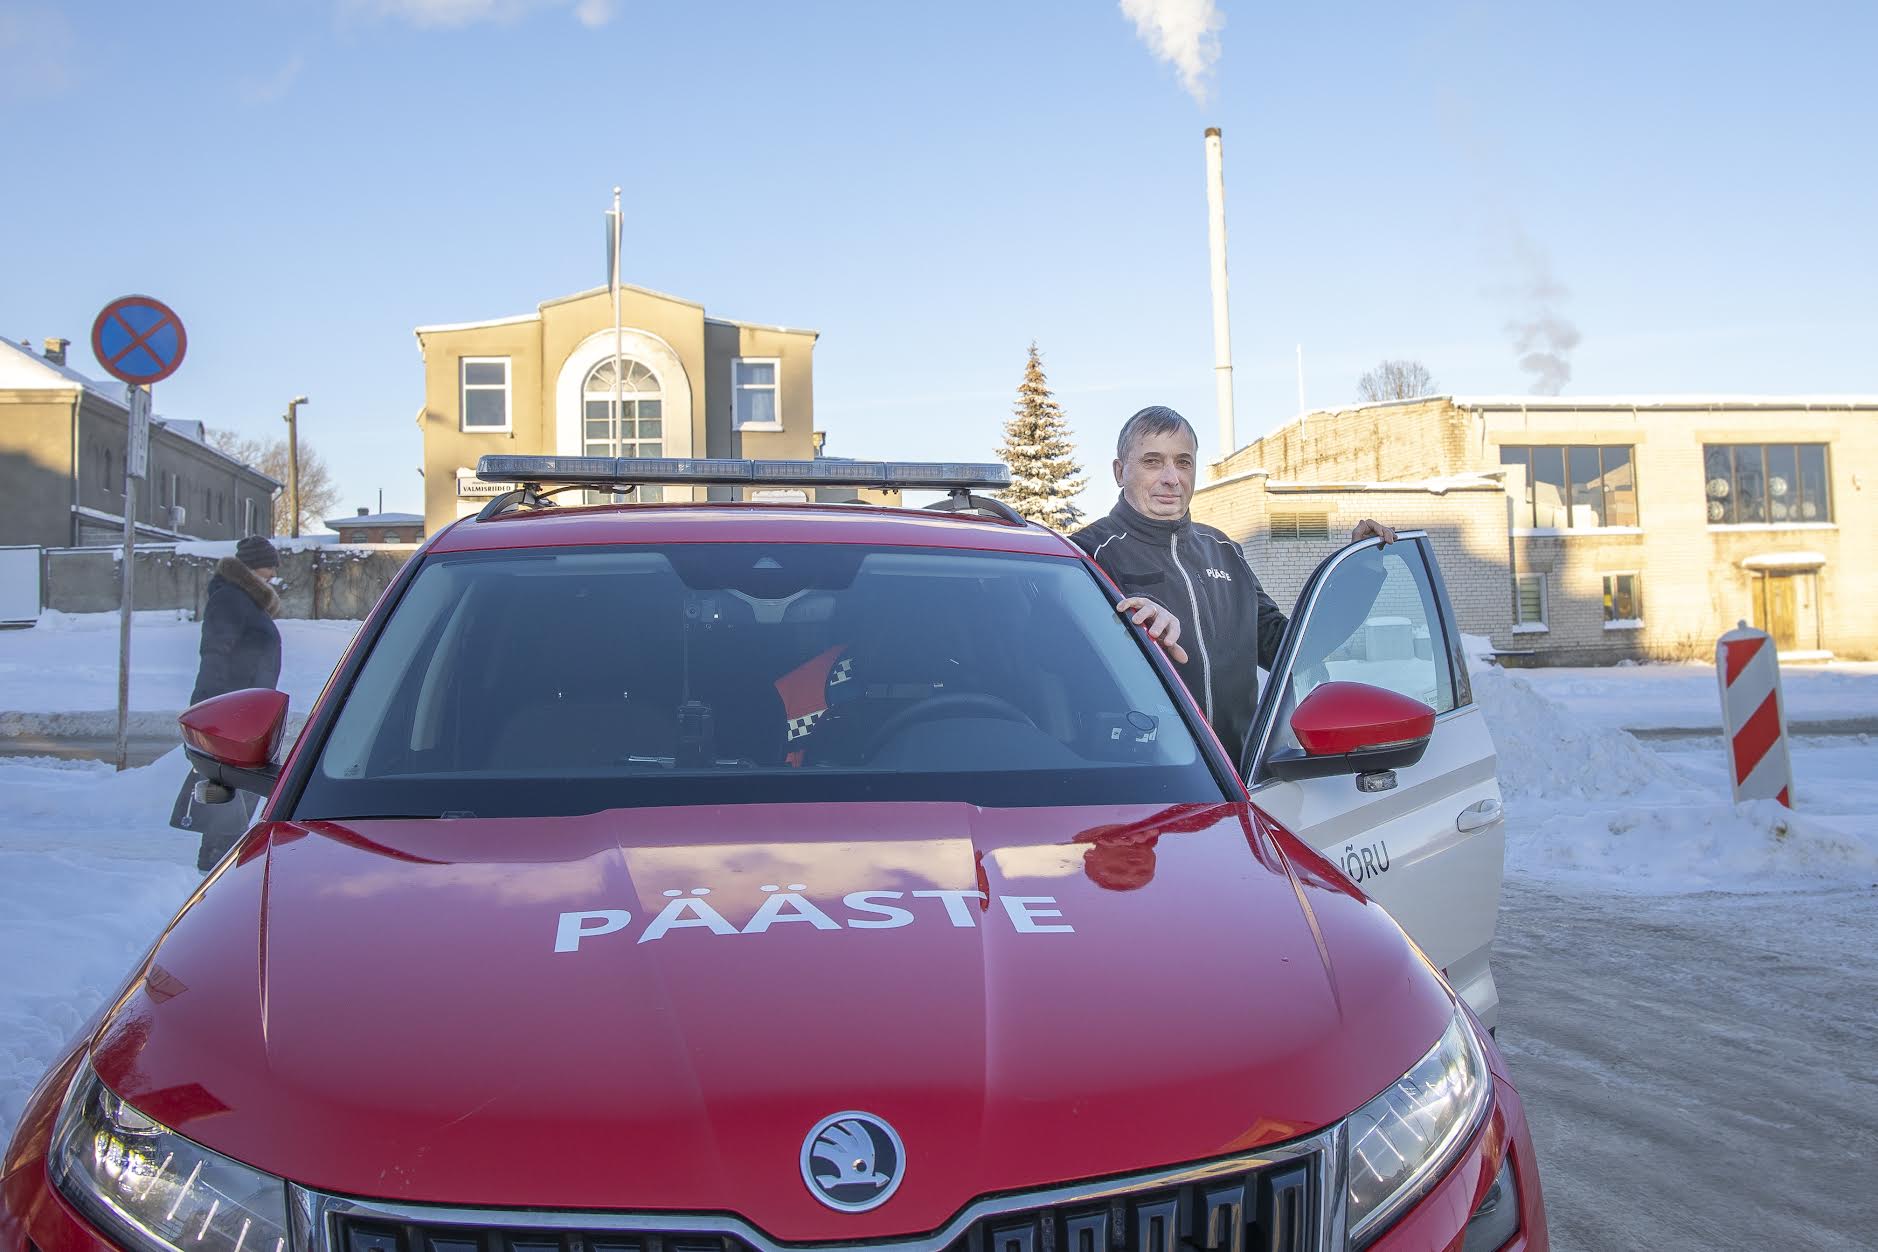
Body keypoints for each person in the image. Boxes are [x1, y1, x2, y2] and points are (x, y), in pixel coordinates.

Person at [1070, 406, 1395, 764]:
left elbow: (1286, 648)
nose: (1171, 478)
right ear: (1120, 472)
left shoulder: (1224, 551)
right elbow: (1062, 668)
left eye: (1183, 462)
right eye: (1152, 462)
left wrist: (1358, 573)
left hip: (1236, 776)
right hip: (1143, 781)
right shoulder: (1085, 553)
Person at [169, 536, 284, 870]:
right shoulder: (231, 599)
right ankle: (214, 867)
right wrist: (207, 711)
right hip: (231, 712)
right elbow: (215, 654)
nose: (274, 572)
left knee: (238, 793)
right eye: (269, 564)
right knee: (227, 792)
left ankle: (221, 864)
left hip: (248, 712)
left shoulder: (248, 599)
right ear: (251, 566)